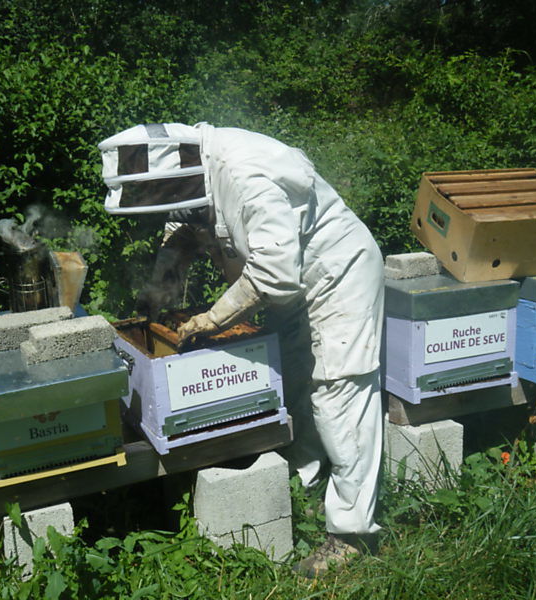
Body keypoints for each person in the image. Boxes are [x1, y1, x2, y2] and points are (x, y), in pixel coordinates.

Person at [98, 123, 385, 577]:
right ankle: (305, 485)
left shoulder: (244, 175)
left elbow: (274, 271)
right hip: (296, 285)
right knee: (293, 379)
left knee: (338, 392)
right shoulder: (193, 172)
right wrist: (156, 293)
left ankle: (351, 535)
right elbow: (183, 231)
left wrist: (210, 320)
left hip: (336, 276)